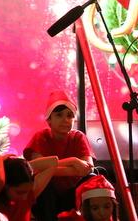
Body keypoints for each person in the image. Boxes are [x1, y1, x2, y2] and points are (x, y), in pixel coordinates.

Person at [23, 91, 94, 221]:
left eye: (69, 116)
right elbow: (36, 168)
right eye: (59, 115)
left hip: (73, 191)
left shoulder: (78, 137)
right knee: (45, 186)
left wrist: (51, 169)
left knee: (91, 180)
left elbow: (88, 168)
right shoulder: (41, 137)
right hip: (47, 194)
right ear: (49, 120)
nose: (65, 120)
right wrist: (73, 162)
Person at [0, 154, 58, 221]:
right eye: (20, 192)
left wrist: (22, 167)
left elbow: (53, 162)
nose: (25, 197)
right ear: (5, 186)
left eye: (27, 191)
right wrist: (0, 159)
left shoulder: (27, 195)